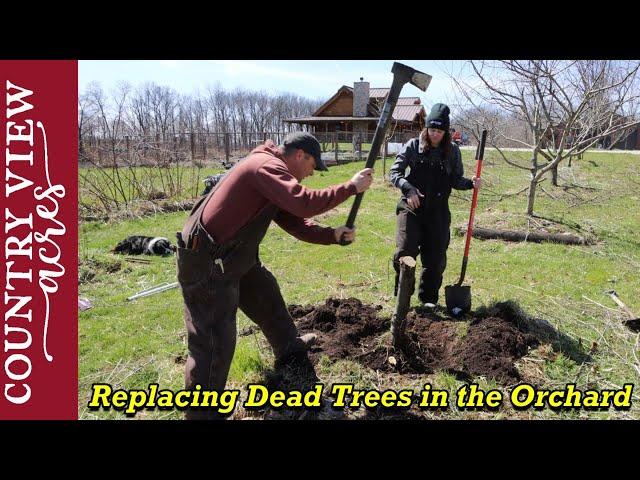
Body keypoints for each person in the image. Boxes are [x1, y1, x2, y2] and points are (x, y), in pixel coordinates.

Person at [176, 131, 373, 420]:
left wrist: (331, 235)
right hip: (208, 262)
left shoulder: (273, 174)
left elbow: (296, 221)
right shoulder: (265, 167)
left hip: (232, 256)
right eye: (311, 167)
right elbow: (303, 202)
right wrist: (350, 188)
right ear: (299, 156)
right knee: (215, 342)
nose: (310, 174)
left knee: (264, 293)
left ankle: (288, 348)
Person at [389, 103, 481, 308]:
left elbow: (456, 180)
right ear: (426, 128)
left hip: (438, 211)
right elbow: (394, 173)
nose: (435, 135)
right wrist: (409, 189)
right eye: (432, 130)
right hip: (411, 208)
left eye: (439, 131)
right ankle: (402, 299)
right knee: (405, 251)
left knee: (436, 258)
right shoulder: (413, 145)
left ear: (446, 132)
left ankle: (428, 300)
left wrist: (470, 183)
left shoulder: (453, 152)